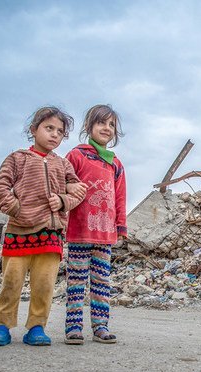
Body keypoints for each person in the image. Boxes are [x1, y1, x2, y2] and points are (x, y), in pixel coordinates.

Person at [0, 106, 86, 346]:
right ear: (33, 130)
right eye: (49, 128)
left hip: (51, 235)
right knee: (11, 283)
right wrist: (17, 209)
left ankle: (37, 327)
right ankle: (2, 326)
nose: (54, 135)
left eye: (60, 132)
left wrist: (63, 200)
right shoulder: (17, 158)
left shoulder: (63, 165)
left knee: (44, 284)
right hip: (19, 232)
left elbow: (79, 191)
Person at [63, 104, 127, 345]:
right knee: (76, 280)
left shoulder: (115, 163)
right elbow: (63, 183)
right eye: (102, 123)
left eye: (112, 125)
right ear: (89, 126)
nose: (107, 128)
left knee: (101, 281)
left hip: (105, 234)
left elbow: (120, 196)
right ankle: (73, 327)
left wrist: (121, 226)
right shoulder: (76, 156)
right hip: (80, 231)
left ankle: (100, 326)